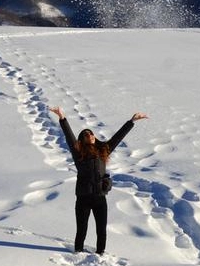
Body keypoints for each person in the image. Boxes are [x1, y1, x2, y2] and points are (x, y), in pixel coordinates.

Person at [49, 106, 149, 255]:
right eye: (86, 135)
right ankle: (77, 252)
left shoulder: (104, 150)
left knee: (101, 229)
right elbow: (70, 138)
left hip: (99, 198)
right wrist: (62, 118)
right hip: (83, 198)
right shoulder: (79, 154)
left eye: (91, 133)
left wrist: (132, 121)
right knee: (82, 229)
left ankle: (100, 254)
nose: (90, 135)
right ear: (82, 140)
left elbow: (117, 137)